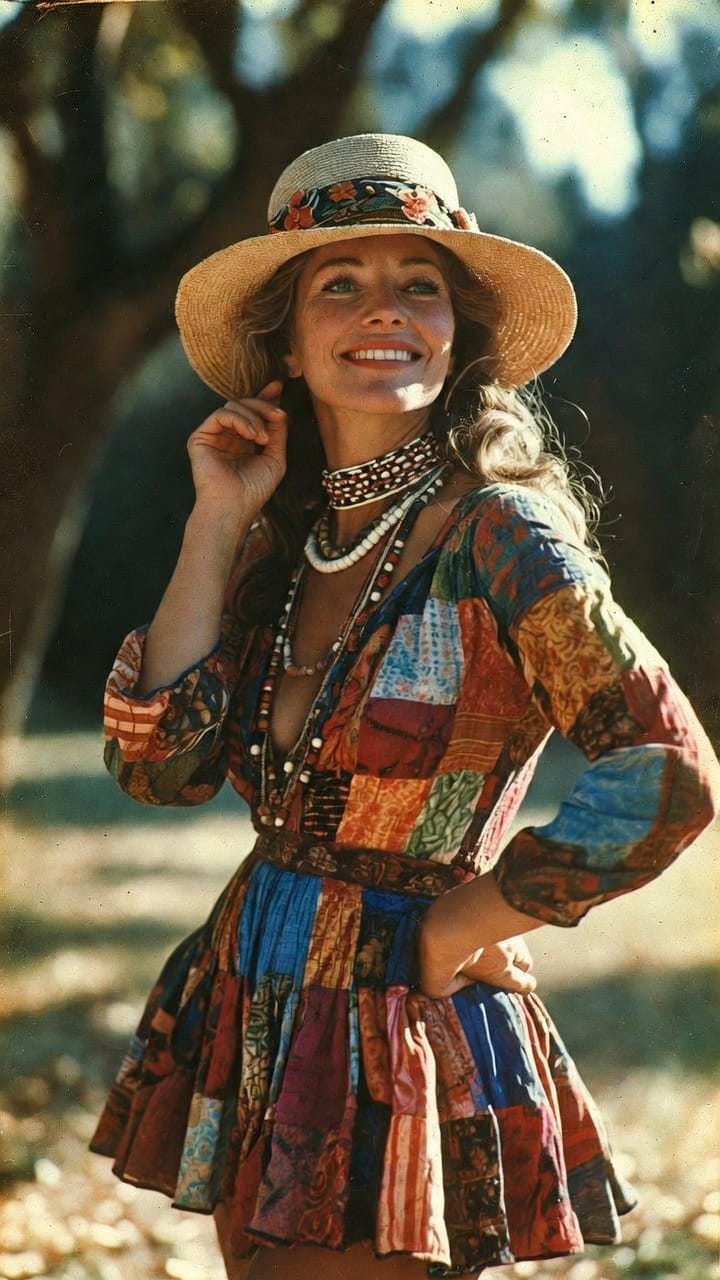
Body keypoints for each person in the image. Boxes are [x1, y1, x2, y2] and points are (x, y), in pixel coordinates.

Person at [90, 134, 719, 1279]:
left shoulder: (500, 535)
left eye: (418, 284)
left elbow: (669, 770)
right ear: (286, 341)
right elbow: (159, 767)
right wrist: (217, 519)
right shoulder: (279, 540)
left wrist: (459, 923)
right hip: (255, 999)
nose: (385, 308)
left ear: (456, 333)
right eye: (341, 283)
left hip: (397, 1026)